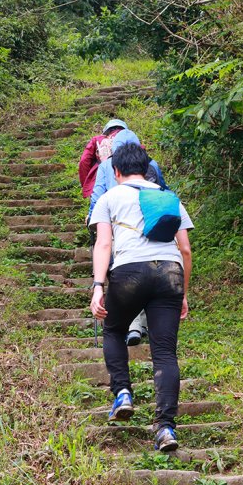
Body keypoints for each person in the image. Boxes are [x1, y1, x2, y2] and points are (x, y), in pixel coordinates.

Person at [88, 142, 193, 453]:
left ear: (116, 170)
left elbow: (103, 245)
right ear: (148, 168)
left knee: (115, 329)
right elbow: (185, 249)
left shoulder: (109, 197)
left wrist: (98, 286)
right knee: (164, 353)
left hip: (129, 272)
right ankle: (165, 429)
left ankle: (122, 392)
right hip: (170, 274)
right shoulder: (168, 198)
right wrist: (183, 291)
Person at [89, 128, 168, 346]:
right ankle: (144, 325)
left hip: (116, 231)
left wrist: (93, 220)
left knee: (124, 274)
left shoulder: (106, 165)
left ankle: (132, 325)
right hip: (154, 236)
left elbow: (97, 197)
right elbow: (164, 192)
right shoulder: (151, 166)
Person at [78, 119, 126, 198]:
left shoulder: (97, 140)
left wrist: (87, 184)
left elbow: (84, 161)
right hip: (126, 178)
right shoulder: (130, 139)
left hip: (101, 179)